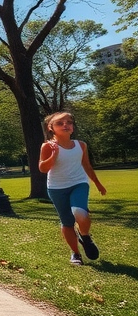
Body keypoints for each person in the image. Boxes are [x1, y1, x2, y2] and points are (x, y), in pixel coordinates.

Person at [37, 111, 106, 266]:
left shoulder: (80, 145)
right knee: (67, 222)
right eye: (60, 123)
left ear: (73, 128)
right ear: (51, 128)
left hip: (79, 183)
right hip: (56, 188)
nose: (65, 125)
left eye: (69, 122)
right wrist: (53, 156)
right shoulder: (48, 146)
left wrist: (97, 183)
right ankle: (75, 253)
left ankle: (85, 236)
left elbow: (87, 166)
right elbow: (42, 168)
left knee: (79, 212)